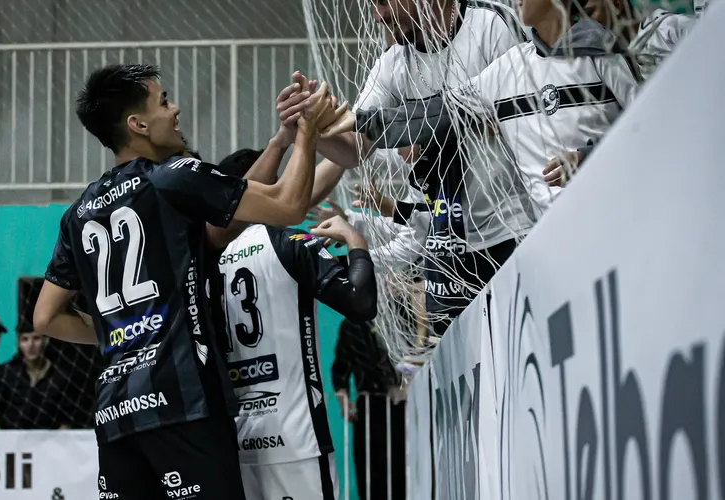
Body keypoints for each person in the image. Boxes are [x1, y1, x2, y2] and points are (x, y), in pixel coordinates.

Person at [33, 63, 339, 499]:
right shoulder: (171, 175)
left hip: (117, 416)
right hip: (183, 406)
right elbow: (288, 206)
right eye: (163, 101)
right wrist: (308, 131)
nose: (175, 109)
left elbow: (44, 318)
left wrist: (280, 141)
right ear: (137, 124)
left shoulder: (78, 214)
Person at [282, 0, 533, 336]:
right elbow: (355, 149)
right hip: (446, 245)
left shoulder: (490, 26)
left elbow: (513, 115)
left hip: (511, 228)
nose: (378, 15)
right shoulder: (393, 64)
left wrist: (414, 125)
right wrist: (312, 128)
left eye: (384, 2)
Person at [326, 0, 640, 212]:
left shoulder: (602, 51)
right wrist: (361, 121)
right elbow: (436, 113)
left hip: (611, 211)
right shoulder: (508, 69)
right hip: (546, 239)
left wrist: (588, 157)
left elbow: (650, 125)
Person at [212, 150, 378, 500]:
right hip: (296, 439)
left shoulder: (205, 258)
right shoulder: (289, 243)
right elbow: (360, 302)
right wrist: (355, 241)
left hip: (238, 443)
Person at [331, 318, 406, 500]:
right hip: (369, 408)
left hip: (402, 407)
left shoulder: (404, 317)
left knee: (402, 470)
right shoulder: (352, 324)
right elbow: (340, 369)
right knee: (371, 473)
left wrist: (406, 386)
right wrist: (345, 402)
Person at [0, 329, 95, 429]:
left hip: (51, 443)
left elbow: (67, 420)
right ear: (19, 343)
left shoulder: (61, 377)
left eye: (36, 338)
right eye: (25, 339)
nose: (30, 345)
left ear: (46, 340)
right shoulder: (6, 373)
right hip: (12, 442)